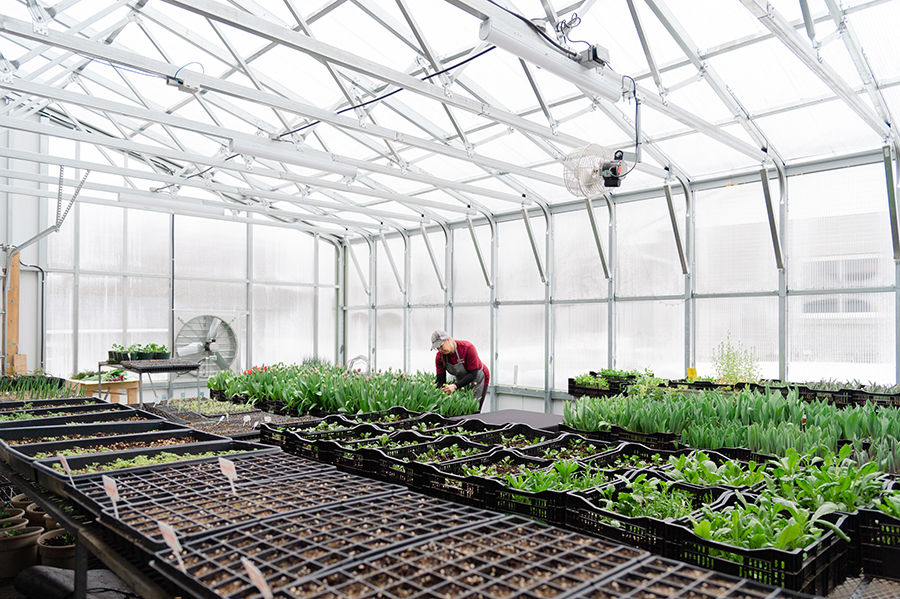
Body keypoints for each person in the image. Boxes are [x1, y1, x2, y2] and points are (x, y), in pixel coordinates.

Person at [431, 330, 489, 408]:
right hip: (460, 380)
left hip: (478, 378)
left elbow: (473, 374)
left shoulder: (467, 348)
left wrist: (455, 386)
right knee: (460, 408)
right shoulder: (440, 357)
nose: (440, 350)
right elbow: (440, 380)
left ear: (448, 340)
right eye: (437, 348)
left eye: (441, 346)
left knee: (473, 409)